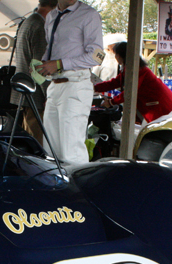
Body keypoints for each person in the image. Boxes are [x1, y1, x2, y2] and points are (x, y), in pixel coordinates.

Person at [35, 0, 103, 165]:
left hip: (76, 84)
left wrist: (59, 64)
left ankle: (78, 189)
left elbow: (97, 56)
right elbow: (52, 48)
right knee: (51, 149)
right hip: (55, 85)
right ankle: (57, 187)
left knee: (71, 150)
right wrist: (43, 64)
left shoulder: (89, 15)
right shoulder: (51, 16)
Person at [9, 0, 58, 145]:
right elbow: (40, 67)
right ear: (54, 8)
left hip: (26, 91)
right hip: (36, 95)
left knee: (29, 139)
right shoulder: (40, 27)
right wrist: (49, 95)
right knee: (38, 143)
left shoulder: (28, 21)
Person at [94, 42, 172, 124]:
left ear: (119, 55)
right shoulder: (131, 67)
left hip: (159, 106)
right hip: (153, 105)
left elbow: (130, 92)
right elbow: (115, 82)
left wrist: (111, 102)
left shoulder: (137, 70)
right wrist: (95, 88)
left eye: (115, 54)